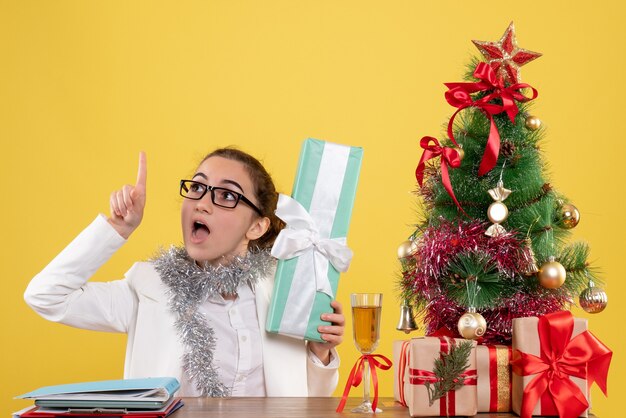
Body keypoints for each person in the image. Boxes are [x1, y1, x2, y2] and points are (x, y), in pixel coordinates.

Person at [24, 149, 344, 397]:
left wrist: (321, 352)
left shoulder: (284, 292)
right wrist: (117, 229)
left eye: (227, 195)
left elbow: (307, 400)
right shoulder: (148, 289)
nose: (202, 203)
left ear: (257, 226)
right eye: (197, 188)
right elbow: (46, 296)